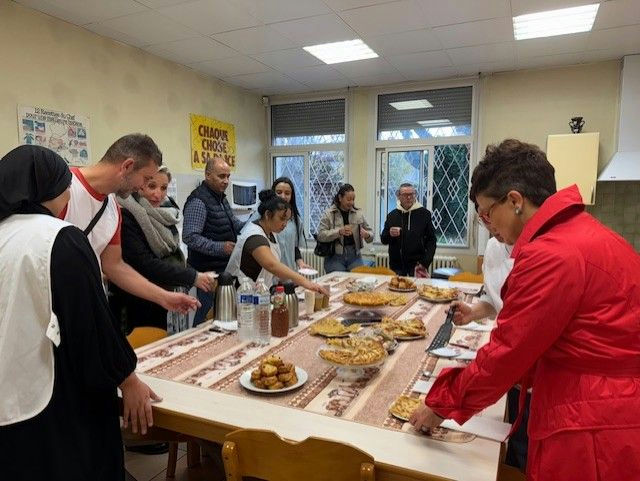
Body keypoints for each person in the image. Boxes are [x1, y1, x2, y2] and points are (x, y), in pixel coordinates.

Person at [410, 139, 640, 481]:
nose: (489, 226)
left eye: (487, 214)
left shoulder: (551, 254)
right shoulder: (580, 232)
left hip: (594, 423)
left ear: (515, 201)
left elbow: (507, 352)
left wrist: (439, 404)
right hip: (611, 407)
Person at [0, 145, 159, 481]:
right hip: (50, 395)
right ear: (50, 187)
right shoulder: (59, 238)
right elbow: (91, 322)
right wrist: (128, 378)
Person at [61, 133, 198, 315]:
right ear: (127, 166)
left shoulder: (112, 208)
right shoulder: (62, 188)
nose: (143, 187)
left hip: (85, 308)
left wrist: (164, 297)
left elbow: (115, 266)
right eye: (146, 179)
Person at [111, 166, 216, 333]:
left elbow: (171, 254)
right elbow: (144, 263)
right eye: (152, 186)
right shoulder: (127, 214)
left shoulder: (165, 213)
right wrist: (192, 276)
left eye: (164, 188)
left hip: (163, 295)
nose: (158, 194)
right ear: (139, 184)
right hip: (136, 301)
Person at [227, 189, 326, 294]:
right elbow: (272, 265)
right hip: (241, 293)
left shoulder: (271, 233)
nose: (285, 224)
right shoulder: (254, 235)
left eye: (287, 220)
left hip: (260, 292)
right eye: (282, 219)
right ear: (268, 215)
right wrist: (306, 282)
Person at [183, 156, 245, 325]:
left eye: (228, 176)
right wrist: (220, 247)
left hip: (223, 270)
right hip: (207, 273)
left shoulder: (221, 198)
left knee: (222, 315)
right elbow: (189, 237)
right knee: (205, 318)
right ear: (208, 175)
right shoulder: (198, 201)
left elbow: (234, 224)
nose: (226, 181)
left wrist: (254, 223)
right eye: (221, 176)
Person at [245, 177, 311, 272]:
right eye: (279, 192)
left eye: (287, 193)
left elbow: (294, 247)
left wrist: (301, 263)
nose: (283, 196)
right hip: (267, 272)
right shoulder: (261, 217)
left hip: (288, 271)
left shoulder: (295, 219)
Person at [380, 183, 437, 276]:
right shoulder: (392, 216)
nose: (409, 197)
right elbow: (384, 240)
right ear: (398, 196)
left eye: (412, 194)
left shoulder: (425, 214)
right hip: (397, 267)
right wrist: (389, 233)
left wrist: (425, 263)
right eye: (405, 195)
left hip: (418, 266)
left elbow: (432, 241)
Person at [316, 184, 374, 273]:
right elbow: (321, 235)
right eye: (348, 199)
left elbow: (371, 233)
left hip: (355, 256)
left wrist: (367, 235)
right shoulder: (329, 214)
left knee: (358, 279)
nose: (351, 202)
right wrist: (339, 232)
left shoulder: (358, 213)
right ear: (340, 198)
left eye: (353, 199)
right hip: (334, 257)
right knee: (338, 281)